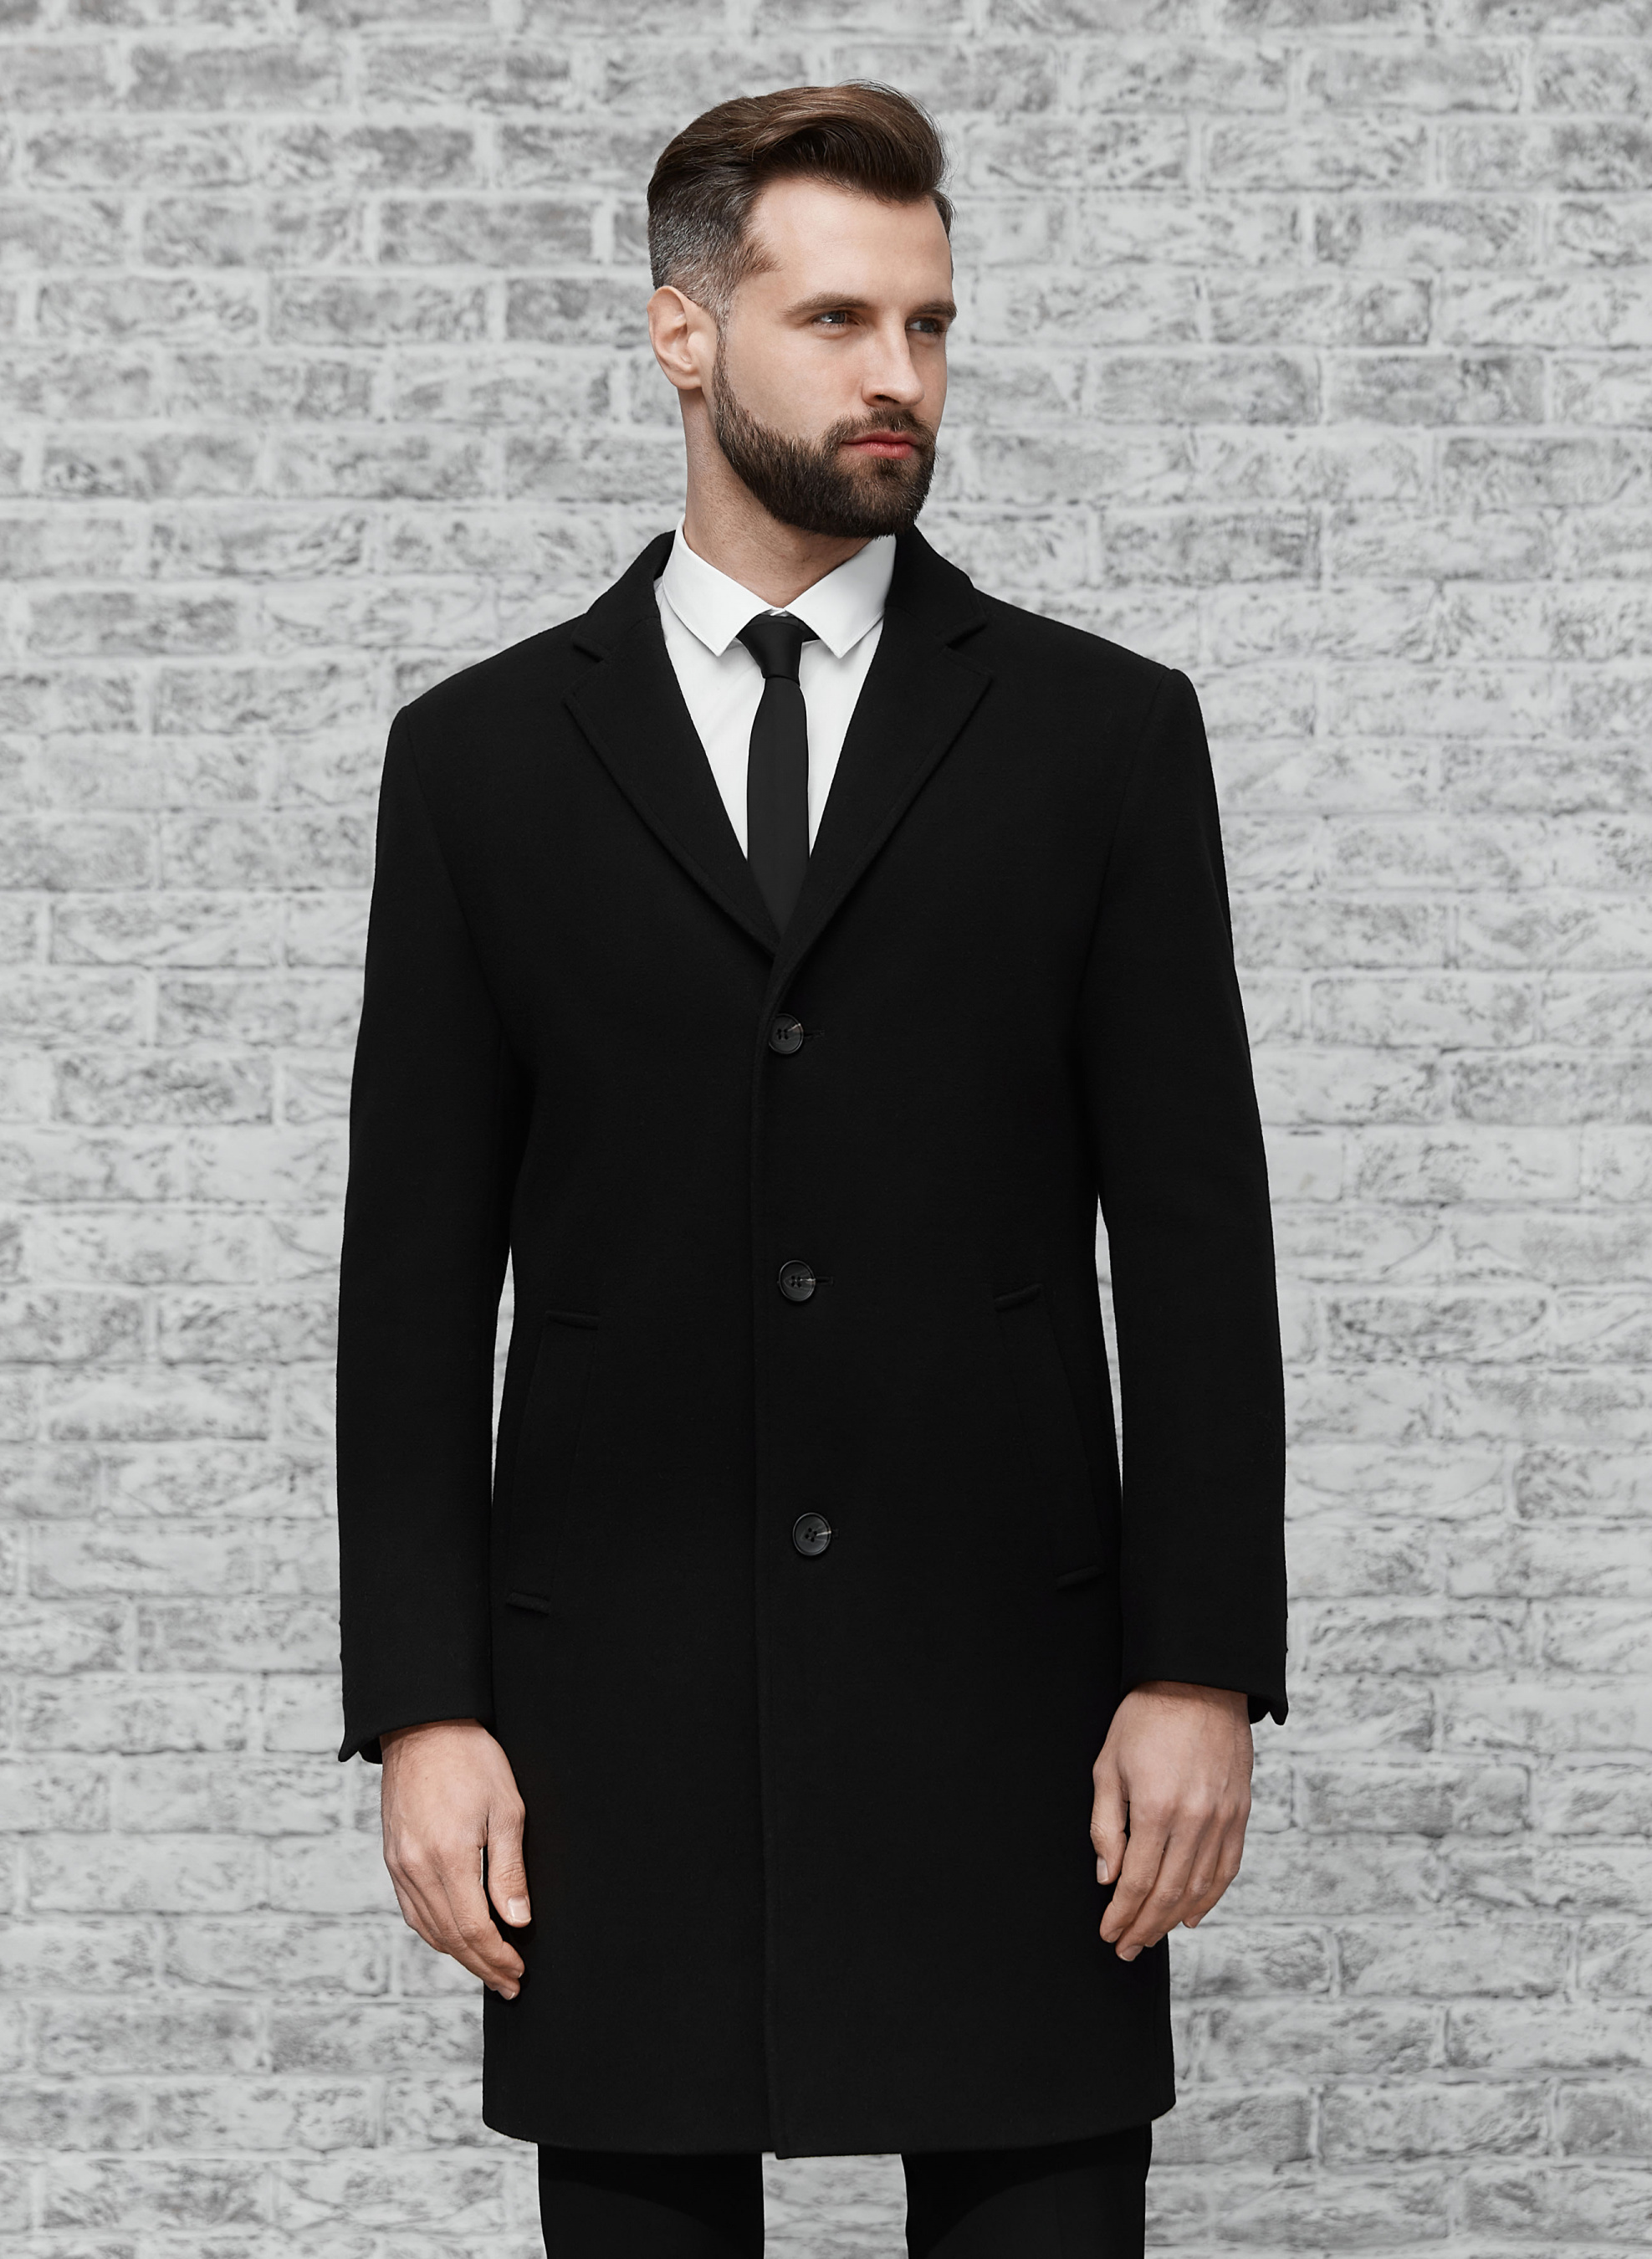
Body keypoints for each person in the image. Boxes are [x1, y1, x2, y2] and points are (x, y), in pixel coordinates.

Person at [336, 81, 1288, 2259]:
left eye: (928, 324)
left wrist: (1200, 1667)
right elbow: (413, 1281)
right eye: (838, 318)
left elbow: (1196, 1242)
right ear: (682, 334)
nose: (898, 376)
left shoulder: (1101, 736)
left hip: (1015, 1707)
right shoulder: (478, 760)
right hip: (615, 1715)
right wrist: (424, 1705)